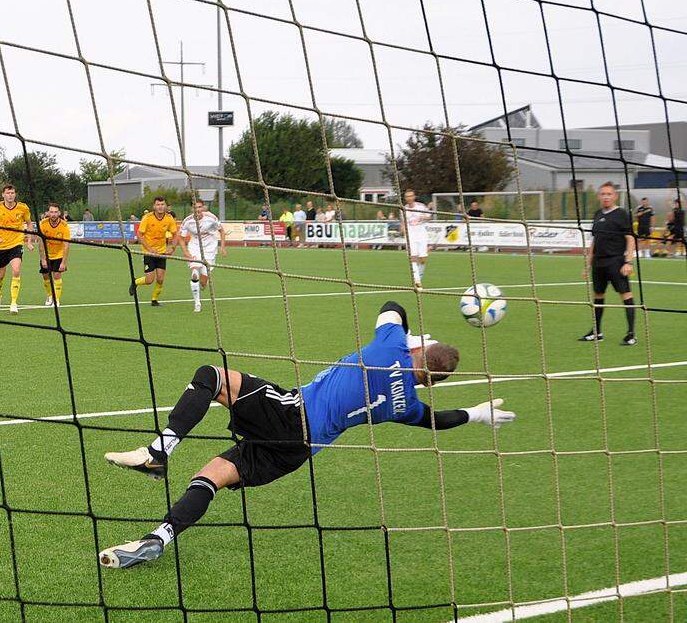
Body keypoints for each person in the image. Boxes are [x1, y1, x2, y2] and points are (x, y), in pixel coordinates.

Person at [98, 301, 515, 568]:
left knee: (212, 376)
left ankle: (158, 451)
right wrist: (476, 414)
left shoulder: (391, 344)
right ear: (430, 382)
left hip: (292, 414)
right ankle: (158, 539)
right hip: (297, 453)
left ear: (419, 349)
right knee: (211, 476)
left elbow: (392, 306)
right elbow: (437, 421)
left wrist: (410, 335)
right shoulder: (406, 405)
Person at [579, 182, 637, 345]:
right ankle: (597, 332)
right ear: (598, 196)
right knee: (598, 295)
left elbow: (630, 238)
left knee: (625, 295)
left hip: (616, 261)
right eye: (603, 194)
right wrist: (588, 265)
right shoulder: (597, 214)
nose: (606, 197)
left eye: (609, 194)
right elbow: (594, 242)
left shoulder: (621, 214)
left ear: (615, 196)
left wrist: (628, 262)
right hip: (598, 263)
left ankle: (631, 334)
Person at [0, 184, 34, 314]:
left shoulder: (23, 208)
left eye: (12, 193)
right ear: (3, 195)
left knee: (16, 270)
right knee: (1, 275)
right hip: (0, 246)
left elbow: (29, 224)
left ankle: (13, 303)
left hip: (17, 243)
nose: (10, 195)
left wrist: (28, 241)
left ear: (15, 194)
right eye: (8, 193)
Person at [178, 199, 226, 313]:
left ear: (203, 208)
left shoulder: (211, 218)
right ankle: (197, 303)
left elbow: (222, 231)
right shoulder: (187, 221)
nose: (197, 210)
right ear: (191, 209)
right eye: (195, 207)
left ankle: (203, 283)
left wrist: (222, 247)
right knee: (194, 274)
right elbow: (180, 237)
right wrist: (185, 252)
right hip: (194, 248)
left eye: (199, 207)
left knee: (204, 281)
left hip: (210, 249)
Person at [130, 197, 177, 306]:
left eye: (162, 204)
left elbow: (175, 234)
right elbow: (140, 235)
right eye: (158, 205)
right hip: (149, 253)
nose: (160, 207)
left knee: (160, 279)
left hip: (161, 253)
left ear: (165, 206)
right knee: (149, 280)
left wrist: (173, 248)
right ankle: (135, 282)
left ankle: (154, 300)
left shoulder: (169, 219)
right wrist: (149, 249)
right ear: (154, 206)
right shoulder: (147, 218)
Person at [38, 203, 71, 306]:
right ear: (48, 213)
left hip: (58, 254)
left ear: (59, 213)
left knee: (56, 275)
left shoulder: (64, 225)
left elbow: (66, 245)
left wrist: (63, 262)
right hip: (47, 254)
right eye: (51, 212)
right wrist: (43, 259)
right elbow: (40, 242)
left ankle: (56, 300)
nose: (53, 214)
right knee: (46, 276)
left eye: (56, 212)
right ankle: (49, 295)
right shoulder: (43, 224)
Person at [402, 189, 431, 288]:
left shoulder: (421, 207)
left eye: (411, 196)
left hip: (422, 235)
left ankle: (419, 278)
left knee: (422, 259)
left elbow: (429, 217)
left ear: (414, 197)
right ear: (405, 198)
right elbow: (403, 223)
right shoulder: (404, 209)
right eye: (407, 196)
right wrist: (404, 234)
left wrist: (424, 217)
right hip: (411, 236)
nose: (409, 198)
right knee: (412, 258)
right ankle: (417, 281)